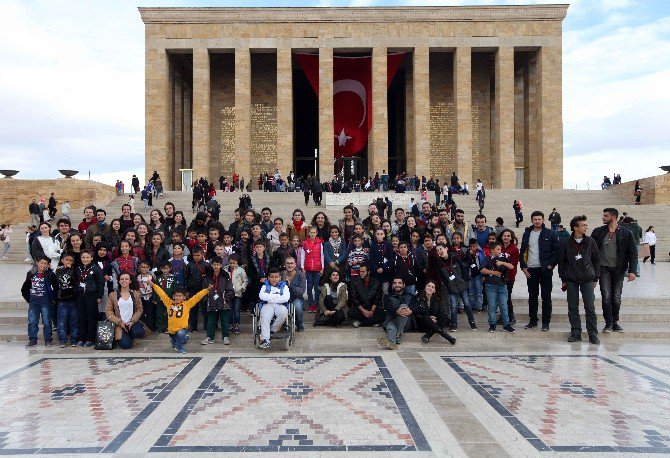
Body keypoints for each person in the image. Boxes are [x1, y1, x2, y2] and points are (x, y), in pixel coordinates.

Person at [591, 208, 638, 333]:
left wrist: (632, 271)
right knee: (606, 296)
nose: (603, 217)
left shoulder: (626, 232)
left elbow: (632, 253)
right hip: (603, 269)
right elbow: (590, 250)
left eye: (605, 216)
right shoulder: (598, 231)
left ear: (613, 217)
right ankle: (608, 323)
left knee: (616, 296)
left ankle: (615, 321)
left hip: (619, 269)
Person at [558, 215, 600, 344]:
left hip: (587, 278)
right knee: (572, 307)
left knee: (590, 307)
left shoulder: (591, 241)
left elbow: (596, 260)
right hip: (571, 279)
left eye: (586, 225)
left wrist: (595, 277)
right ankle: (576, 332)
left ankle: (593, 334)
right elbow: (562, 262)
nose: (586, 227)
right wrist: (563, 278)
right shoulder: (565, 242)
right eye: (583, 225)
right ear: (575, 227)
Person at [520, 211, 560, 331]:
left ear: (543, 220)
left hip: (545, 269)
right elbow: (523, 250)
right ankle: (533, 321)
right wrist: (523, 266)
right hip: (531, 269)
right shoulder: (527, 233)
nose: (537, 221)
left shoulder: (551, 233)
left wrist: (551, 265)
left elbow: (557, 251)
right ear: (532, 220)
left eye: (539, 219)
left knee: (546, 296)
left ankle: (546, 322)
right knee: (532, 296)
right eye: (535, 219)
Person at [151, 279, 210, 353]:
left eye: (180, 296)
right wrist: (153, 285)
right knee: (174, 343)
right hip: (171, 330)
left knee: (180, 335)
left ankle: (179, 347)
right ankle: (184, 339)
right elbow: (162, 294)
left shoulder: (187, 304)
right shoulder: (169, 303)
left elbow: (197, 297)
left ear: (184, 297)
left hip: (182, 328)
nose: (178, 298)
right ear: (173, 296)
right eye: (176, 296)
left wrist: (206, 290)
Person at [436, 244, 476, 331]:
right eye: (438, 250)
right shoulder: (439, 264)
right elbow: (442, 278)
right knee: (453, 305)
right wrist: (449, 286)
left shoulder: (455, 258)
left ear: (446, 249)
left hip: (462, 285)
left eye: (441, 249)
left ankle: (472, 322)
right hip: (452, 288)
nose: (440, 251)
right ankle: (454, 324)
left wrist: (465, 281)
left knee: (467, 304)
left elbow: (463, 270)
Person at [105, 272, 149, 349]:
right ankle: (123, 336)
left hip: (132, 323)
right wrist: (119, 322)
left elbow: (139, 309)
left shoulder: (135, 294)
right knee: (126, 345)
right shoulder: (113, 295)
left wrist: (132, 321)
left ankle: (131, 334)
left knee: (139, 332)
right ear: (119, 281)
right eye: (122, 279)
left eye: (126, 279)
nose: (124, 281)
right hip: (119, 324)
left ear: (130, 281)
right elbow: (108, 311)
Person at [21, 256, 57, 347]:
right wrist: (28, 299)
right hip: (34, 302)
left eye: (45, 263)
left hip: (45, 302)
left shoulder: (50, 274)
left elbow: (56, 287)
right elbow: (25, 288)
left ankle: (48, 340)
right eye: (42, 263)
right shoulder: (31, 273)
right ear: (37, 263)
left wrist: (53, 298)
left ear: (48, 265)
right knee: (32, 321)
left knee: (47, 321)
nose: (43, 265)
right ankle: (33, 339)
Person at [481, 242, 515, 333]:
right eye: (498, 249)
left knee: (504, 305)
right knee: (492, 306)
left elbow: (511, 266)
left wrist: (502, 262)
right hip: (490, 286)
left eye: (500, 249)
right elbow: (482, 269)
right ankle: (492, 324)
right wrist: (494, 273)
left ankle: (506, 325)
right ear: (492, 250)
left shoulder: (503, 258)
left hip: (502, 286)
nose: (500, 251)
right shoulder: (487, 259)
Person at [201, 256, 235, 345]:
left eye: (218, 265)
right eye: (214, 264)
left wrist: (226, 299)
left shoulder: (226, 276)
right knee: (211, 322)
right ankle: (210, 337)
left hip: (223, 303)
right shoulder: (207, 277)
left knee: (225, 321)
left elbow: (230, 289)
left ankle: (225, 337)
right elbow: (204, 289)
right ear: (211, 265)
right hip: (211, 302)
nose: (216, 266)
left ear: (221, 265)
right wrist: (206, 299)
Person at [75, 251, 105, 347]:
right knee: (81, 317)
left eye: (87, 257)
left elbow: (101, 283)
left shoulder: (96, 268)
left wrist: (99, 296)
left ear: (91, 258)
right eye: (83, 257)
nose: (85, 259)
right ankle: (81, 338)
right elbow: (76, 280)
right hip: (80, 296)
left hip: (92, 296)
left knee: (91, 317)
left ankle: (90, 338)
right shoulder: (78, 268)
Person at [413, 280, 455, 345]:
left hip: (434, 324)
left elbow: (440, 313)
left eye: (432, 287)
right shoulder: (418, 298)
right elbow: (415, 313)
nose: (430, 288)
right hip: (422, 324)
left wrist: (435, 319)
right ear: (425, 287)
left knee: (445, 316)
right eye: (428, 286)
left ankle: (428, 335)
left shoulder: (437, 299)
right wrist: (429, 318)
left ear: (434, 290)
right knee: (426, 318)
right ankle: (447, 336)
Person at [257, 268, 291, 350]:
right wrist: (277, 297)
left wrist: (270, 297)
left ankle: (272, 330)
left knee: (284, 313)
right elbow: (262, 296)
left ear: (280, 278)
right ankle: (266, 340)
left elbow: (285, 298)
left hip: (280, 305)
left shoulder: (284, 286)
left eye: (276, 277)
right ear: (268, 278)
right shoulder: (265, 286)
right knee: (265, 316)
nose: (274, 279)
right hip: (267, 305)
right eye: (272, 277)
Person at [378, 277, 414, 350]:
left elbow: (416, 307)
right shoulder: (387, 297)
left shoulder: (410, 296)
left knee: (403, 306)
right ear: (392, 285)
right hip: (393, 320)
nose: (397, 285)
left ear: (404, 285)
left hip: (406, 323)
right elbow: (388, 308)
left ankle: (399, 333)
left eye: (399, 283)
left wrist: (411, 311)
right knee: (390, 327)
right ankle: (392, 343)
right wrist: (397, 311)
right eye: (395, 283)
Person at [55, 253, 78, 347]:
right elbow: (58, 282)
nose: (68, 262)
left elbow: (75, 281)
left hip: (73, 298)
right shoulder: (58, 271)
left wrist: (69, 269)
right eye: (67, 260)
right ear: (62, 260)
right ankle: (62, 340)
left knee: (74, 321)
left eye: (71, 260)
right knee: (61, 321)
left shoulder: (75, 271)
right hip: (62, 299)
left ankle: (74, 339)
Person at [302, 226, 324, 313]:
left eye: (314, 233)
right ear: (308, 233)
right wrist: (303, 267)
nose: (312, 234)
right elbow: (302, 256)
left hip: (317, 268)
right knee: (309, 287)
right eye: (311, 232)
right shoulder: (305, 243)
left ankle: (317, 304)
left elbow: (322, 256)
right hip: (308, 269)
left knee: (316, 286)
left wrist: (322, 268)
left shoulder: (320, 243)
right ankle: (311, 304)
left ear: (316, 233)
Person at [281, 256, 306, 332]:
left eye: (292, 263)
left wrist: (290, 286)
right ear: (285, 264)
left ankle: (299, 324)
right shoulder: (280, 275)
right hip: (282, 298)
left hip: (296, 298)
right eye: (288, 263)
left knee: (297, 306)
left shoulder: (301, 275)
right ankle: (284, 323)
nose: (290, 265)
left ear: (295, 264)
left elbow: (301, 291)